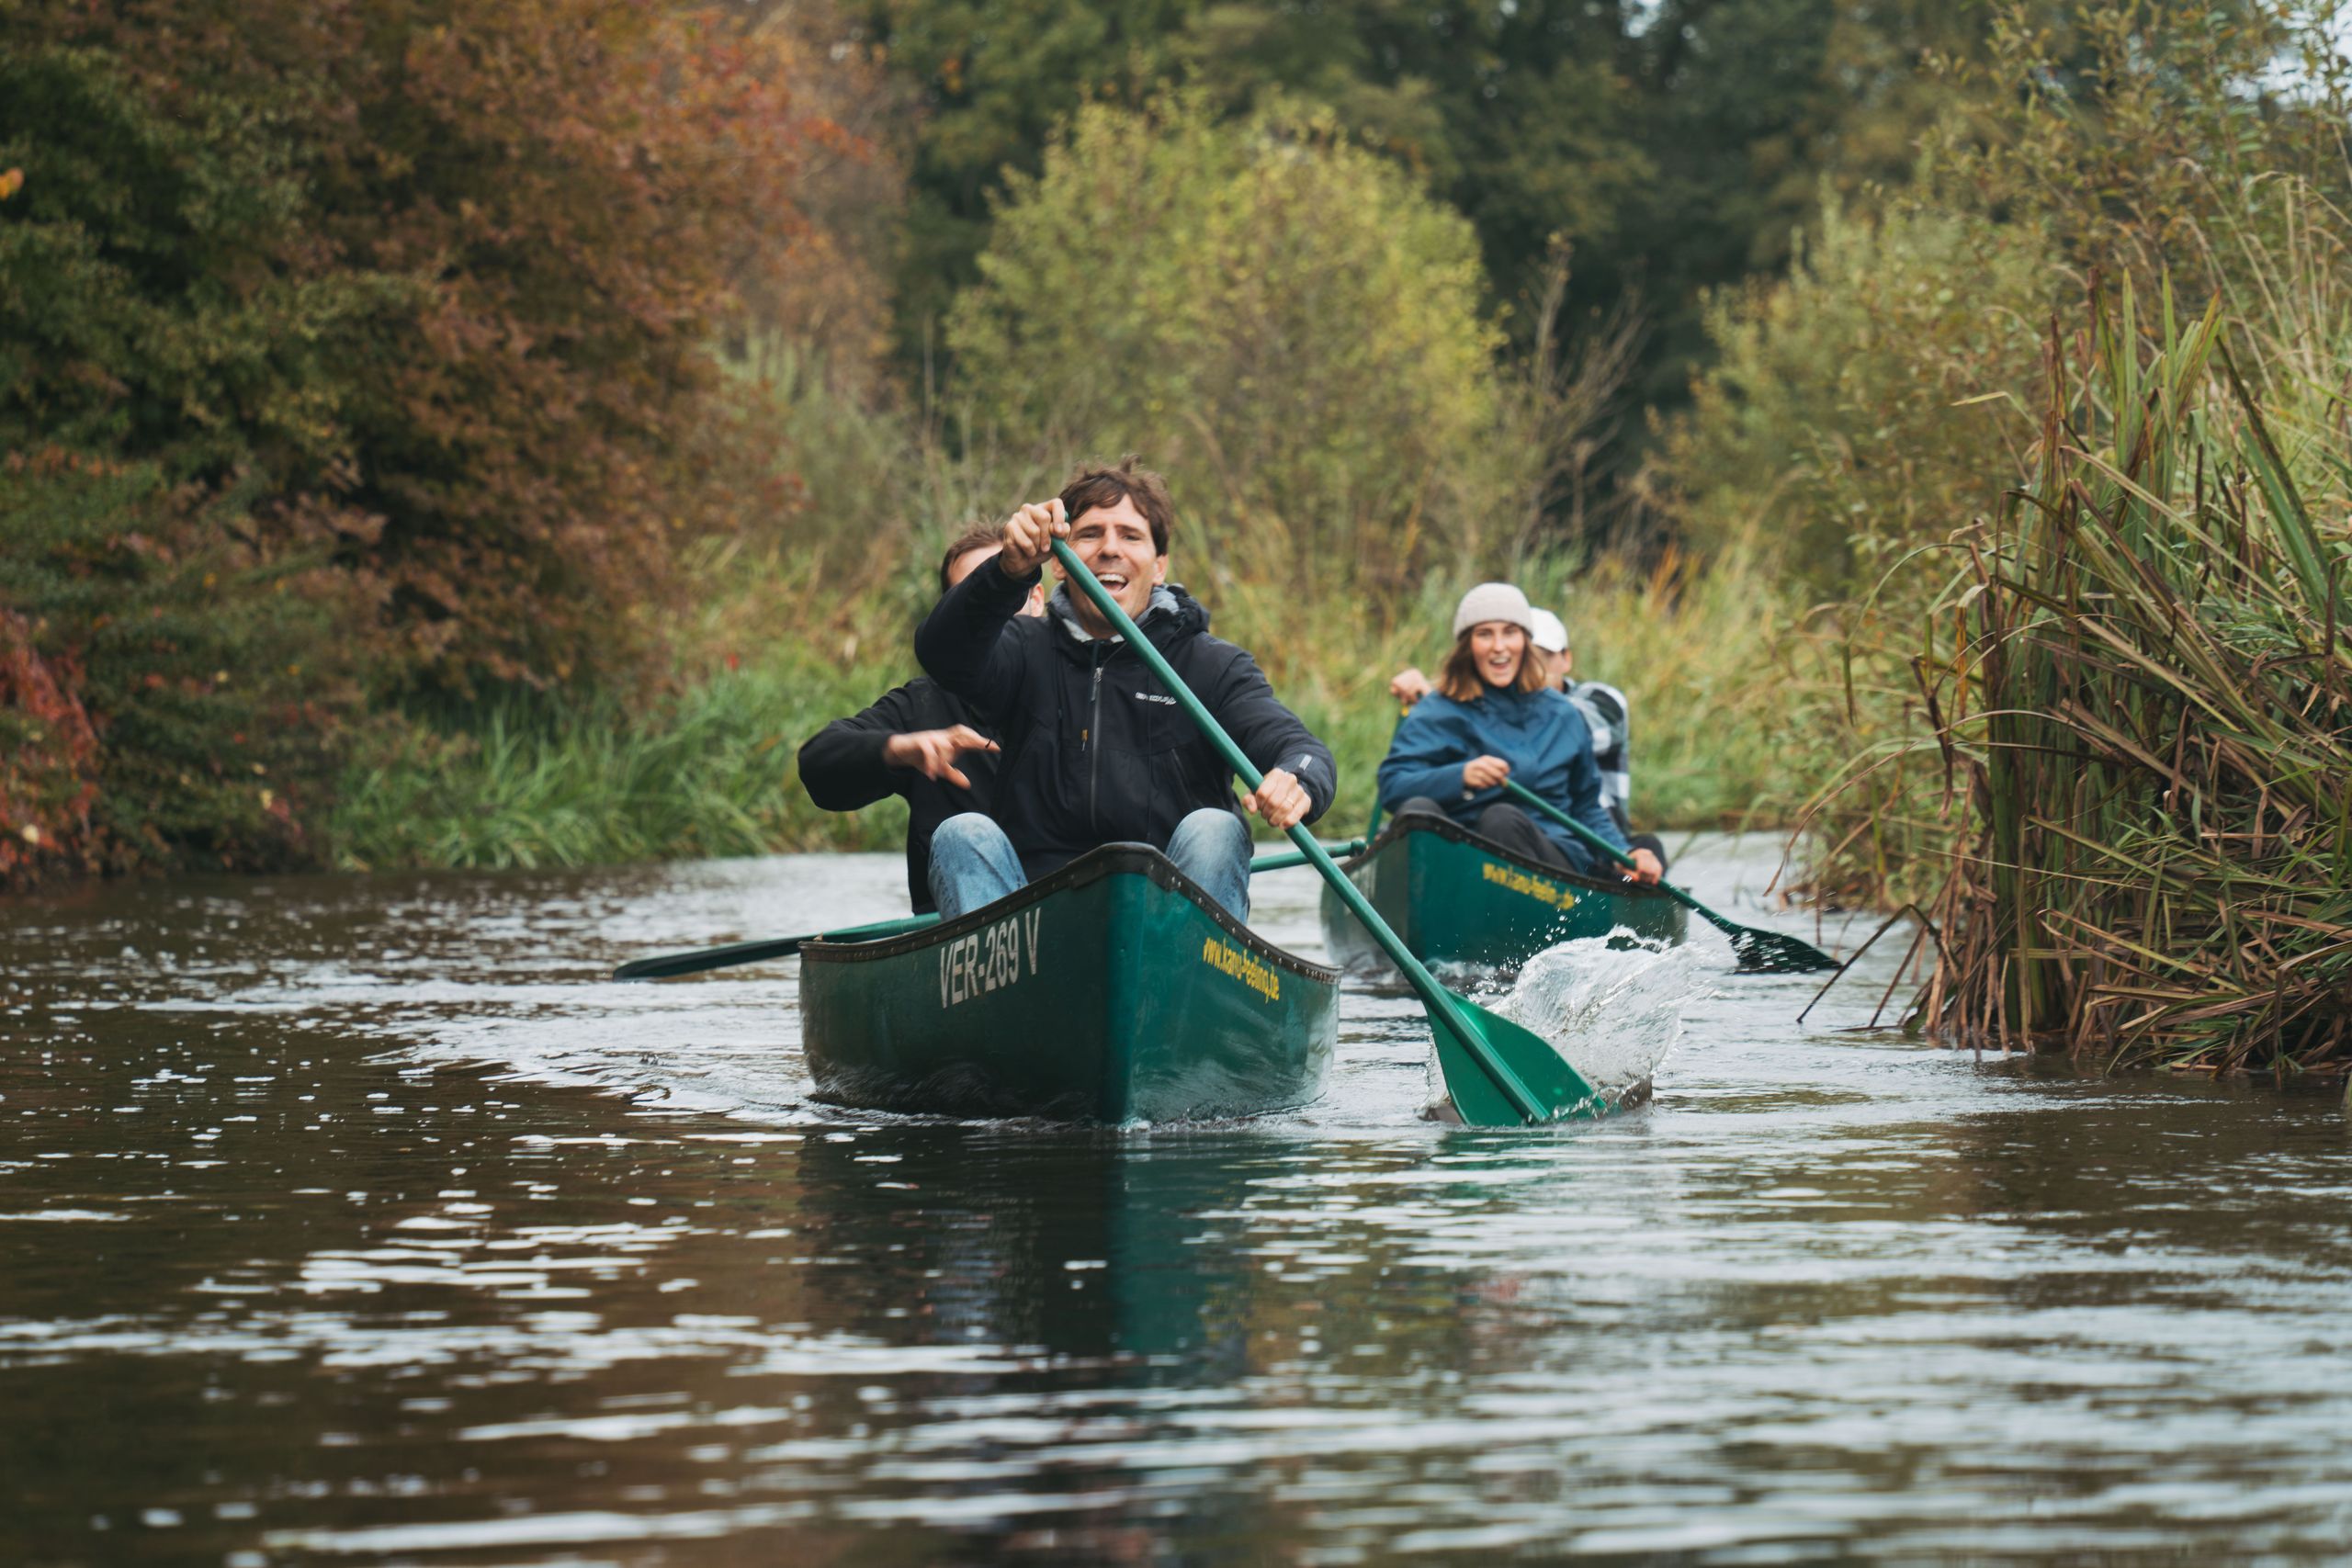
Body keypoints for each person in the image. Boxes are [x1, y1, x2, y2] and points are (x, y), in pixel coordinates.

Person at [913, 457, 1337, 922]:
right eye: (1090, 534)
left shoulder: (1212, 665)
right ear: (1058, 563)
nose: (1110, 549)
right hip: (1031, 930)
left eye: (1130, 536)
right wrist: (1005, 573)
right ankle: (994, 992)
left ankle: (1184, 980)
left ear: (1159, 566)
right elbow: (941, 653)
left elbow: (1301, 750)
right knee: (961, 832)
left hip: (1164, 926)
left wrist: (1296, 780)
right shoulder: (1020, 649)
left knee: (1215, 828)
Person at [796, 525, 1045, 913]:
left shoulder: (1078, 685)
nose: (994, 614)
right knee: (965, 834)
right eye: (977, 598)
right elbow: (818, 763)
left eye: (1007, 592)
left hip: (1068, 918)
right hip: (962, 940)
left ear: (1038, 599)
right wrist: (899, 748)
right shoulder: (922, 706)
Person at [1376, 582, 1663, 884]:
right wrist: (1460, 777)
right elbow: (1394, 787)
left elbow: (1587, 808)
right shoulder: (1435, 710)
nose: (1499, 646)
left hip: (1550, 860)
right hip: (1456, 864)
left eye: (1510, 632)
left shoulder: (1563, 714)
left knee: (1501, 819)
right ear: (1467, 646)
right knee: (1417, 811)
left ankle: (1511, 924)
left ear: (1525, 642)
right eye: (1485, 634)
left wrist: (1625, 852)